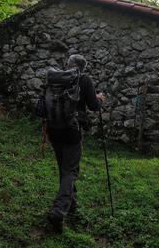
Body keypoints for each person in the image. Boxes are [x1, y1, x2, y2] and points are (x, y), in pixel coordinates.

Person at [42, 54, 104, 233]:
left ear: (68, 65)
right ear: (83, 67)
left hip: (53, 129)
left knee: (64, 168)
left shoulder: (56, 79)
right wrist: (99, 99)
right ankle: (58, 212)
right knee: (70, 170)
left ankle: (72, 204)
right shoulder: (84, 80)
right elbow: (93, 106)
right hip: (71, 130)